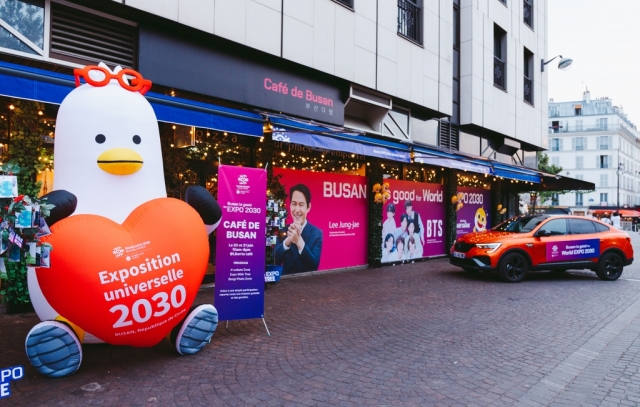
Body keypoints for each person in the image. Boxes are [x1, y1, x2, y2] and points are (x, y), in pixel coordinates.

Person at [275, 184, 323, 275]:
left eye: (301, 205)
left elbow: (314, 266)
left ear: (308, 207)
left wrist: (298, 241)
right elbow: (274, 261)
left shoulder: (317, 233)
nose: (297, 210)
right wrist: (288, 240)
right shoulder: (283, 230)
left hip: (306, 284)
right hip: (286, 284)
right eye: (294, 204)